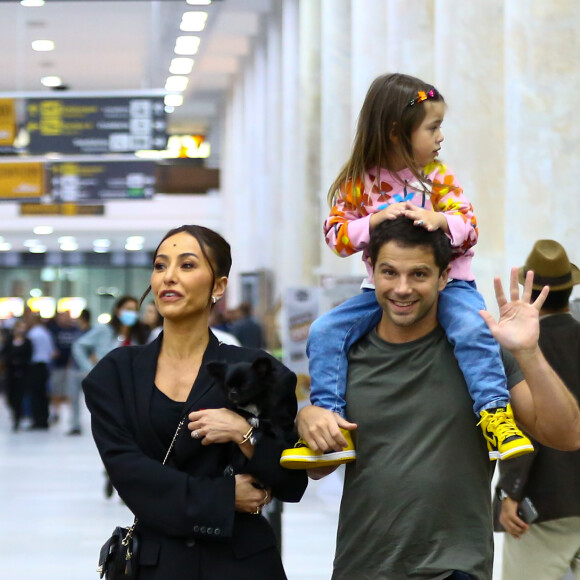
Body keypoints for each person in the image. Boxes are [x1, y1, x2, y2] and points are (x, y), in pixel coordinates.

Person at [296, 217, 580, 580]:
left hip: (454, 567)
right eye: (389, 272)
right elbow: (320, 469)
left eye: (419, 274)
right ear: (371, 271)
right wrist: (308, 420)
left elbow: (565, 435)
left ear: (445, 277)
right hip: (361, 566)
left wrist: (529, 352)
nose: (402, 288)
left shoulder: (480, 356)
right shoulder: (344, 357)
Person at [282, 72, 531, 469]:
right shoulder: (358, 183)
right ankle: (332, 420)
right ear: (397, 131)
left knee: (472, 330)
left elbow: (471, 229)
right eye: (433, 127)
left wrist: (441, 220)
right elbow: (336, 237)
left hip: (452, 286)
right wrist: (375, 221)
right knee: (324, 331)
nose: (440, 137)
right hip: (376, 291)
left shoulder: (438, 176)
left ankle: (495, 415)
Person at [82, 225, 307, 579]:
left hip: (243, 563)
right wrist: (222, 497)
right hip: (156, 564)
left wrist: (243, 433)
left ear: (218, 286)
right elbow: (130, 476)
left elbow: (291, 482)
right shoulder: (116, 373)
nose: (169, 277)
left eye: (187, 266)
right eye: (160, 266)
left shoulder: (257, 370)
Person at [494, 239, 580, 580]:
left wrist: (509, 492)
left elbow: (522, 426)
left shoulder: (524, 347)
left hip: (545, 501)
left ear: (528, 293)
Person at [73, 295, 148, 495]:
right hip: (110, 390)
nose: (131, 314)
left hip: (134, 390)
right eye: (127, 309)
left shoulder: (141, 334)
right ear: (117, 310)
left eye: (134, 309)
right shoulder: (104, 330)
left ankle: (123, 475)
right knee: (114, 433)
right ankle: (113, 471)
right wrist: (91, 369)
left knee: (135, 436)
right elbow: (79, 345)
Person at [26, 312, 56, 430]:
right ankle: (44, 418)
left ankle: (37, 419)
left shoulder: (33, 334)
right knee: (43, 393)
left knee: (35, 394)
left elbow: (29, 351)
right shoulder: (45, 332)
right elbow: (52, 351)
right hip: (45, 365)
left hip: (35, 365)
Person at [1, 319, 32, 431]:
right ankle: (14, 411)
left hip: (23, 373)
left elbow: (29, 356)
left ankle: (18, 416)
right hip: (10, 372)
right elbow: (4, 354)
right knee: (10, 396)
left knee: (20, 396)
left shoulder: (27, 342)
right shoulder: (9, 341)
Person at [66, 308, 91, 436]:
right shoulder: (76, 332)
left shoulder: (91, 333)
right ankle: (75, 424)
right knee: (73, 398)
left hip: (86, 369)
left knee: (91, 398)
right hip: (74, 369)